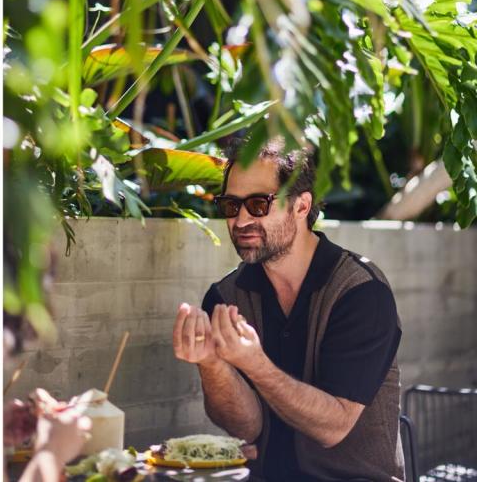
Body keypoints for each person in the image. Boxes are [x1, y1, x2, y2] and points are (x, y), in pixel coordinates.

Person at [173, 137, 403, 481]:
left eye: (258, 204)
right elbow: (247, 428)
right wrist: (212, 364)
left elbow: (333, 427)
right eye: (231, 206)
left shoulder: (360, 292)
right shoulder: (225, 296)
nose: (241, 220)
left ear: (301, 206)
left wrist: (255, 363)